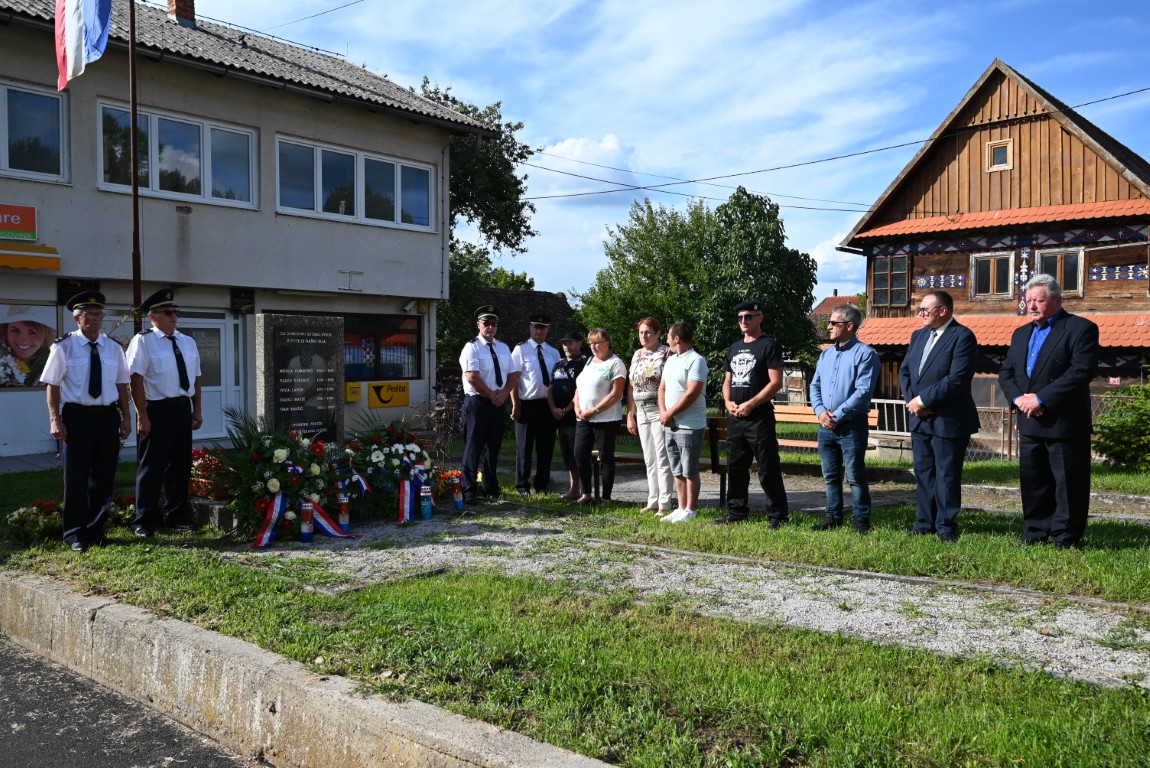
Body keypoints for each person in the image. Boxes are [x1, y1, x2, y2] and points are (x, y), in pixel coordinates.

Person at [999, 274, 1099, 549]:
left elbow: (1081, 371)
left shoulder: (1080, 328)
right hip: (1029, 419)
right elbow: (1007, 372)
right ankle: (1035, 530)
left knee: (1068, 482)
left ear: (1057, 300)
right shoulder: (1021, 333)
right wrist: (1019, 399)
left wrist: (1041, 399)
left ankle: (1066, 536)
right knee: (1033, 479)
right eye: (1028, 300)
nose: (1031, 306)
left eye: (1038, 301)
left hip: (1063, 421)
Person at [39, 292, 132, 551]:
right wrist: (55, 419)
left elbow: (121, 384)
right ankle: (74, 533)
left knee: (104, 475)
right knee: (76, 477)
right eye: (89, 314)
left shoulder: (113, 348)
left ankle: (96, 530)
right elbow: (52, 385)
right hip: (77, 416)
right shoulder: (64, 346)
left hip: (107, 416)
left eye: (99, 314)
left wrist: (126, 417)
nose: (95, 319)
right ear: (77, 318)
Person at [898, 290, 978, 543]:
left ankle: (946, 526)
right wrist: (913, 402)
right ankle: (924, 523)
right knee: (923, 472)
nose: (920, 314)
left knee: (946, 475)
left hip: (948, 418)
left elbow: (957, 379)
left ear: (943, 311)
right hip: (919, 417)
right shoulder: (918, 335)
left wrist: (923, 401)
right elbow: (905, 371)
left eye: (925, 309)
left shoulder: (962, 336)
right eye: (920, 309)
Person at [127, 288, 203, 537]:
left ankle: (175, 516)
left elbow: (196, 378)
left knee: (181, 465)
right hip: (156, 409)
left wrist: (197, 409)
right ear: (153, 316)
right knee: (152, 466)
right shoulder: (143, 341)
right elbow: (135, 380)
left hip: (182, 407)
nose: (174, 316)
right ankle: (142, 520)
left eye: (175, 312)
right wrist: (142, 416)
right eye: (168, 312)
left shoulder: (187, 341)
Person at [716, 301, 789, 527]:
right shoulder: (733, 348)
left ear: (760, 318)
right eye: (740, 318)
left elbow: (776, 382)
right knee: (736, 466)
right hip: (736, 417)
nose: (743, 321)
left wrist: (751, 404)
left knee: (768, 468)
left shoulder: (769, 345)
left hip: (759, 417)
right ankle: (736, 513)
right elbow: (727, 380)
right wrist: (728, 401)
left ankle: (778, 516)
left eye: (748, 316)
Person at [809, 305, 881, 534]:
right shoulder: (826, 354)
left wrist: (837, 416)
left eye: (834, 323)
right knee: (830, 476)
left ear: (849, 326)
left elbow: (863, 392)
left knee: (855, 476)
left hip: (851, 425)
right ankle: (833, 516)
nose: (828, 327)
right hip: (826, 425)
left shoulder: (866, 354)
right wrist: (820, 412)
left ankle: (861, 520)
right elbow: (815, 386)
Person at [458, 305, 518, 506]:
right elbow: (472, 377)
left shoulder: (503, 347)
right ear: (478, 324)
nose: (490, 327)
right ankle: (468, 489)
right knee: (473, 447)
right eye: (486, 323)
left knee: (493, 448)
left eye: (494, 324)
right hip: (478, 402)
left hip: (498, 402)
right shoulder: (472, 347)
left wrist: (503, 394)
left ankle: (491, 487)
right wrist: (493, 395)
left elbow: (513, 375)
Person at [658, 322, 708, 523]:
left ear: (677, 339)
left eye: (668, 336)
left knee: (689, 469)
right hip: (670, 423)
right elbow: (662, 388)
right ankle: (680, 507)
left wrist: (670, 413)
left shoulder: (696, 360)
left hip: (690, 425)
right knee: (677, 469)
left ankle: (691, 509)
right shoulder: (670, 360)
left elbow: (692, 393)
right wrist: (664, 412)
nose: (666, 340)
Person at [626, 317, 675, 517]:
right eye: (641, 332)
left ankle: (665, 503)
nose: (644, 336)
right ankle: (652, 500)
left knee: (662, 457)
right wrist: (630, 414)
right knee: (649, 458)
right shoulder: (637, 354)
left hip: (658, 410)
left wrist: (665, 411)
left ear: (658, 334)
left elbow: (670, 383)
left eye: (648, 332)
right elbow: (631, 386)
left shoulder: (666, 353)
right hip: (641, 411)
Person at [572, 328, 627, 505]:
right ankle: (586, 494)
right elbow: (579, 388)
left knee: (605, 458)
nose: (593, 347)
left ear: (607, 343)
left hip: (606, 419)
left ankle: (606, 498)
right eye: (591, 343)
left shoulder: (615, 363)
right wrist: (577, 407)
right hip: (583, 418)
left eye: (597, 343)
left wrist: (594, 410)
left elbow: (616, 394)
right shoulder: (589, 361)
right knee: (580, 454)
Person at [510, 314, 561, 495]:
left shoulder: (553, 352)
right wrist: (515, 404)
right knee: (524, 448)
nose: (539, 331)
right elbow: (514, 379)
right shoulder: (520, 350)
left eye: (543, 327)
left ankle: (542, 485)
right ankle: (522, 486)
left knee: (545, 448)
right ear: (530, 328)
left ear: (548, 329)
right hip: (527, 405)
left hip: (547, 405)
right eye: (536, 327)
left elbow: (556, 381)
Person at [547, 329, 587, 499]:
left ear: (579, 344)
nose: (566, 346)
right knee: (567, 454)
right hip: (558, 416)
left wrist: (566, 409)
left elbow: (581, 390)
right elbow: (550, 388)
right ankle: (573, 489)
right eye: (564, 343)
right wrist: (553, 409)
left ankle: (583, 490)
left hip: (574, 415)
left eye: (570, 343)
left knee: (577, 452)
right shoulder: (559, 363)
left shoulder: (585, 362)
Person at [0, 304, 55, 386]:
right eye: (15, 331)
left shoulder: (56, 365)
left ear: (45, 334)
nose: (23, 340)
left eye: (33, 332)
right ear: (6, 331)